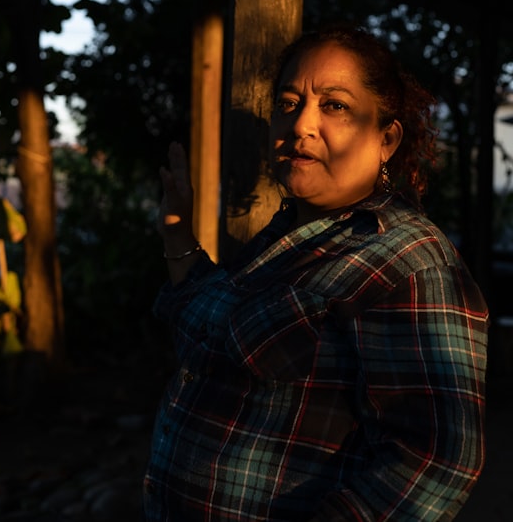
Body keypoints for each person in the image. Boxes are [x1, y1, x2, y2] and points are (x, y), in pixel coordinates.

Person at [144, 26, 489, 521]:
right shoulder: (286, 234)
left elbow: (437, 461)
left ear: (386, 138)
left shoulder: (407, 260)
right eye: (288, 103)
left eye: (335, 106)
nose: (300, 123)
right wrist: (179, 236)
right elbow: (217, 331)